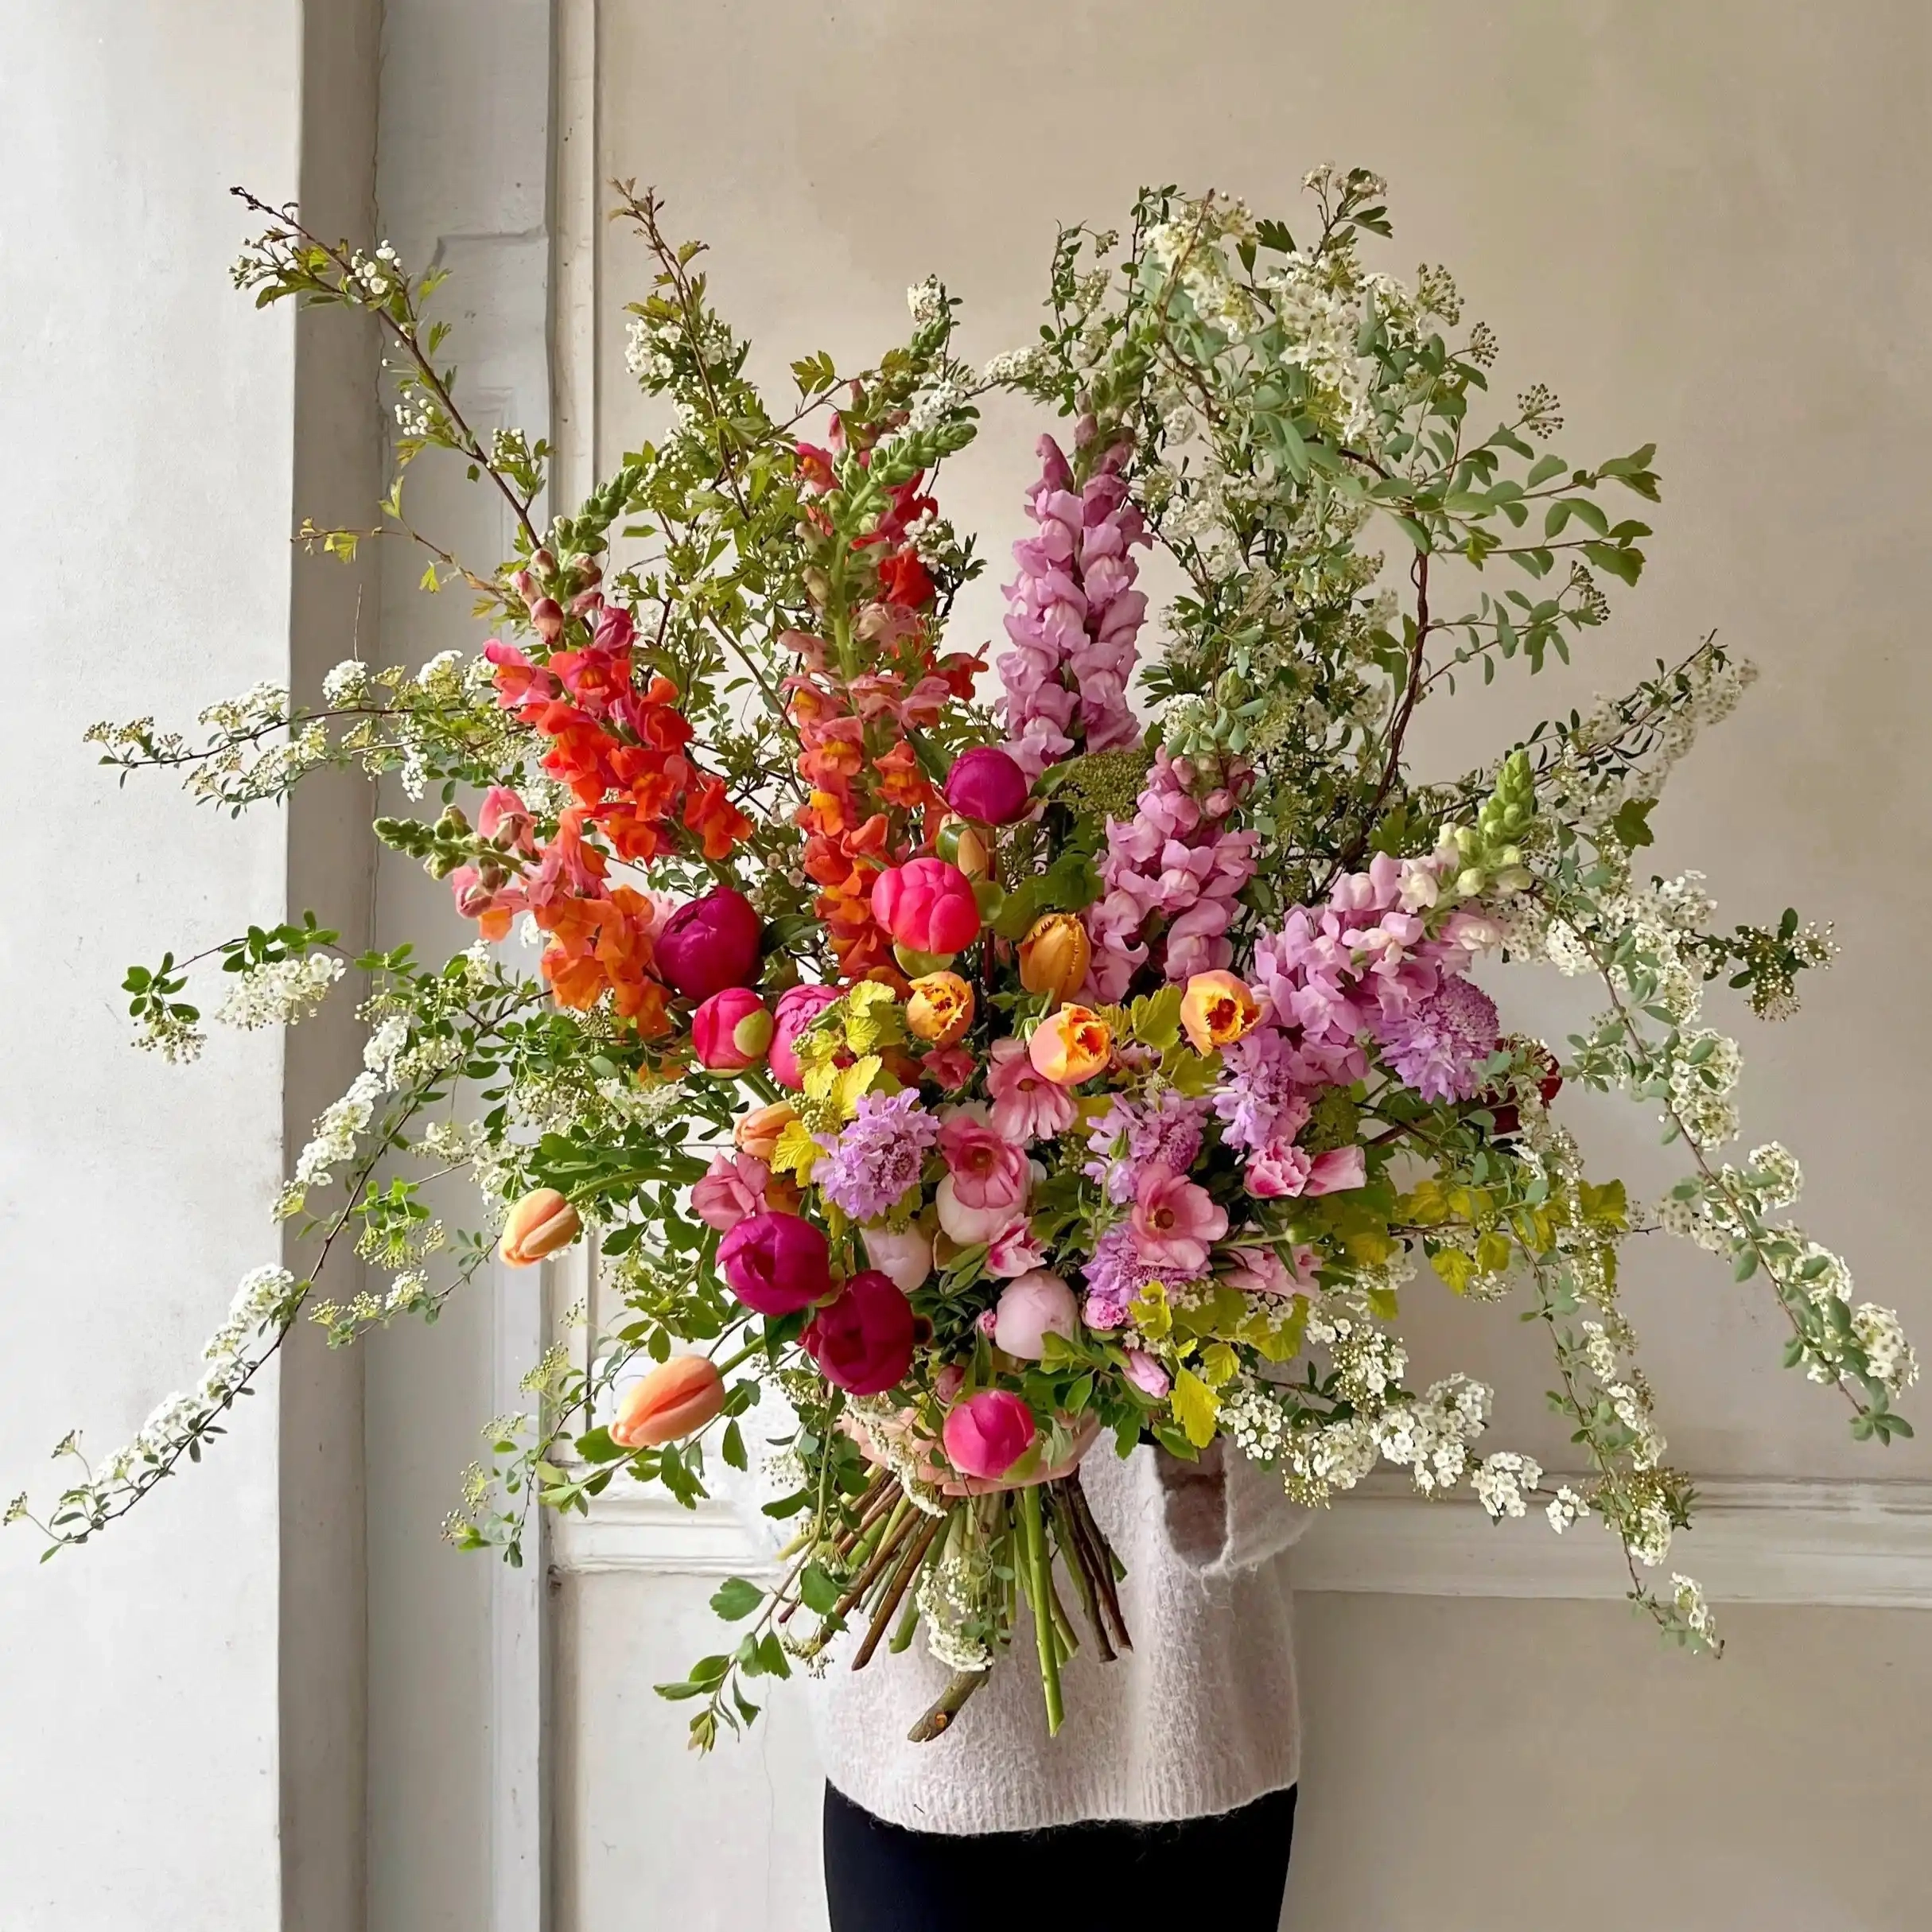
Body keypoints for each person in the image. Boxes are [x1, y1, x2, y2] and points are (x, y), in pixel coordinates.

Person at [805, 1433, 1312, 1930]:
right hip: (910, 1766)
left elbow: (1317, 1427)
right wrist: (886, 1420)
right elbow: (762, 1397)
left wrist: (1143, 1401)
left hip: (1193, 1730)